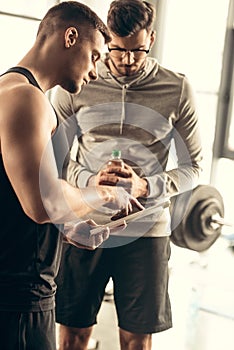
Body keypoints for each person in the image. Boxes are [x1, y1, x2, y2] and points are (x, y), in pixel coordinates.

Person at [53, 0, 203, 349]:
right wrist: (90, 181)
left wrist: (146, 185)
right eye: (118, 49)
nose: (127, 60)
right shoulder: (77, 81)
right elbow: (55, 157)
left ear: (151, 38)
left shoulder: (177, 89)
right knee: (72, 334)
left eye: (138, 50)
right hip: (84, 224)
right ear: (106, 39)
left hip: (147, 231)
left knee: (137, 340)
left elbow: (194, 167)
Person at [0, 2, 143, 349]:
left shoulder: (8, 87)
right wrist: (105, 194)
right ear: (70, 37)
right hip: (19, 301)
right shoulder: (27, 98)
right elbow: (41, 204)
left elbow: (15, 202)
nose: (96, 71)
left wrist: (66, 230)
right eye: (95, 55)